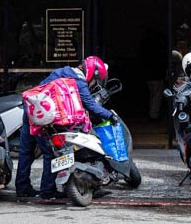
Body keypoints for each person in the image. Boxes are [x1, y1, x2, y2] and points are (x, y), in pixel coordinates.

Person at [15, 55, 116, 201]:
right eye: (95, 79)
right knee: (50, 154)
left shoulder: (61, 71)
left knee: (26, 152)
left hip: (31, 112)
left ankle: (22, 188)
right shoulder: (79, 82)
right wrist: (109, 115)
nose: (93, 83)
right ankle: (47, 191)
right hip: (47, 120)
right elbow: (91, 105)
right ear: (91, 73)